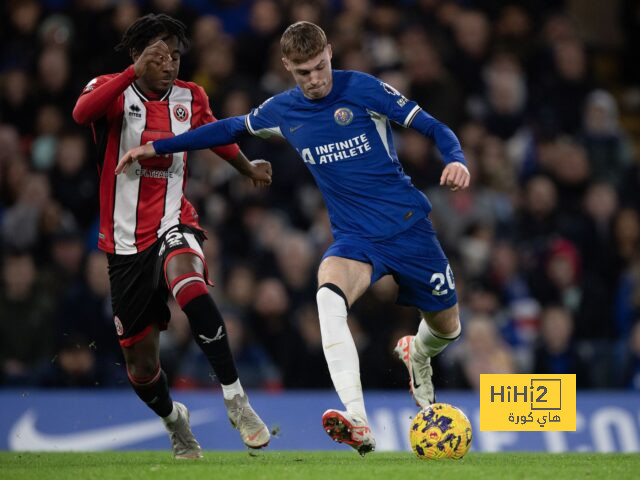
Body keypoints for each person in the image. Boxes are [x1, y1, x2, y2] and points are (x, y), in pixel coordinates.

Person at [118, 21, 470, 456]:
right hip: (355, 240)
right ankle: (357, 419)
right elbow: (228, 129)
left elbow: (436, 128)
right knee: (327, 298)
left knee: (447, 329)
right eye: (304, 73)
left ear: (330, 53)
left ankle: (415, 353)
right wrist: (157, 148)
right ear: (287, 66)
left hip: (408, 227)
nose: (316, 79)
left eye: (321, 67)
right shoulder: (282, 111)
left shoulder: (363, 89)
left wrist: (456, 160)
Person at [72, 14, 272, 459]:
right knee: (141, 368)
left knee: (190, 281)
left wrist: (247, 167)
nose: (170, 65)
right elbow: (80, 113)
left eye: (176, 57)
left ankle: (236, 398)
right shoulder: (110, 89)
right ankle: (174, 421)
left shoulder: (191, 96)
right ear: (137, 55)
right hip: (124, 243)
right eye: (160, 56)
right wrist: (131, 73)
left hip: (173, 220)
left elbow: (214, 134)